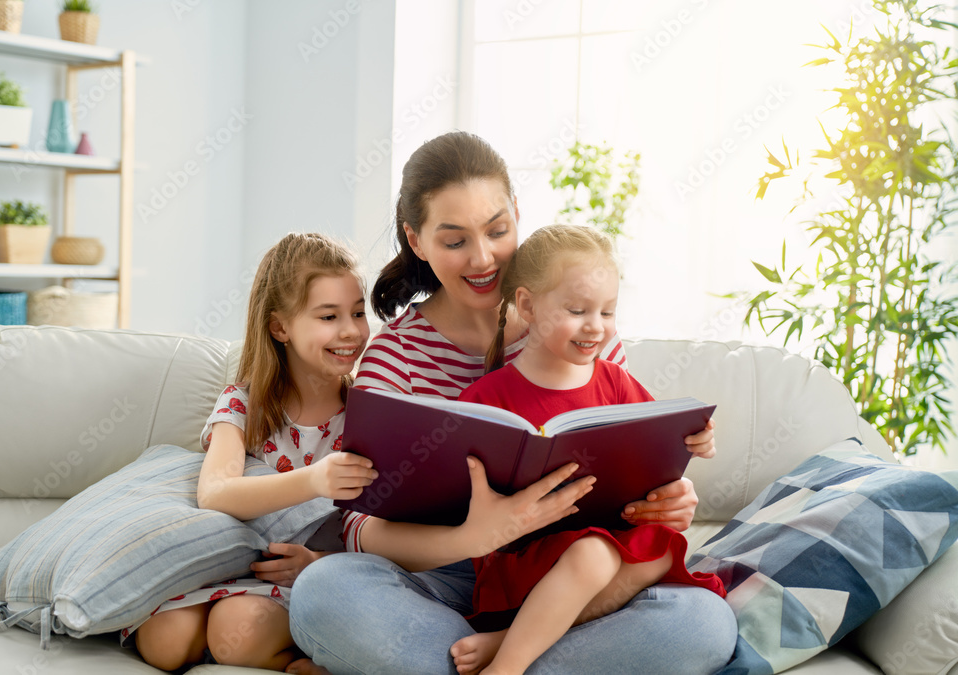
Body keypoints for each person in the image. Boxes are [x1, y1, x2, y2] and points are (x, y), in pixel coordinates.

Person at [287, 131, 737, 674]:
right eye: (454, 241)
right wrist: (478, 535)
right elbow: (359, 523)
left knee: (703, 624)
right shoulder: (395, 356)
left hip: (584, 576)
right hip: (454, 578)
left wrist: (672, 496)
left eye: (497, 230)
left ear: (517, 215)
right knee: (323, 591)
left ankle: (501, 659)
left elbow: (634, 446)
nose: (483, 258)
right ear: (416, 239)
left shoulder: (578, 326)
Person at [450, 224, 726, 674]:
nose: (595, 327)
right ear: (527, 305)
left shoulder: (616, 380)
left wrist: (697, 441)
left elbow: (659, 449)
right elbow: (458, 495)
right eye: (578, 310)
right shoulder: (486, 397)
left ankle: (510, 640)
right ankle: (509, 667)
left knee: (655, 547)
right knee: (592, 555)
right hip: (524, 557)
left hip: (609, 546)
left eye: (607, 312)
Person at [130, 232, 378, 673]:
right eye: (328, 316)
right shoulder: (243, 405)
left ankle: (302, 660)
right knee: (164, 642)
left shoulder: (368, 412)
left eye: (358, 313)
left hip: (303, 580)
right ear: (279, 326)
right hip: (221, 567)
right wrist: (314, 480)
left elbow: (380, 529)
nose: (351, 331)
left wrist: (317, 564)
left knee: (235, 630)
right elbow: (216, 492)